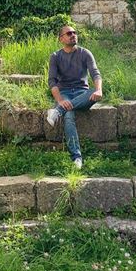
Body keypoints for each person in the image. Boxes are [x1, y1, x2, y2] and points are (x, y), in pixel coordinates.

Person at [46, 25, 103, 169]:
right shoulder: (55, 57)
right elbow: (52, 81)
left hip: (82, 93)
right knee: (69, 115)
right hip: (64, 92)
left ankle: (57, 111)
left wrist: (98, 90)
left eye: (74, 32)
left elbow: (95, 73)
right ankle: (77, 157)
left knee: (92, 92)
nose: (73, 35)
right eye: (69, 33)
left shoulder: (85, 53)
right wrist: (60, 100)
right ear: (61, 39)